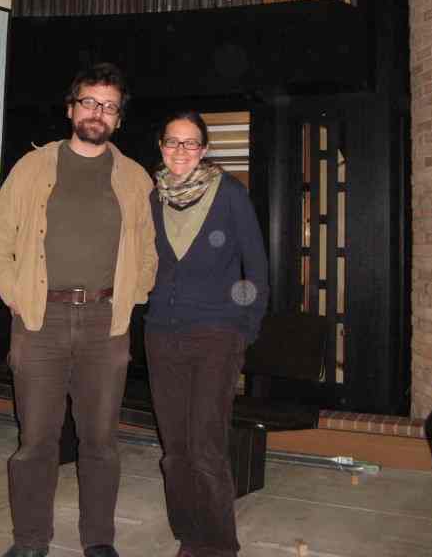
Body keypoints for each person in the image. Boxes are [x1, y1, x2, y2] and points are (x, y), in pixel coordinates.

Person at [0, 63, 157, 557]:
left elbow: (148, 250)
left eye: (109, 106)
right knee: (36, 440)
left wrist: (135, 292)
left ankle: (98, 540)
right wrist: (14, 293)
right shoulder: (32, 168)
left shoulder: (134, 178)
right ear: (71, 108)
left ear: (119, 118)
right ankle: (31, 539)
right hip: (40, 320)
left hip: (107, 322)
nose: (97, 113)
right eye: (89, 102)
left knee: (100, 441)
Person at [145, 111, 270, 557]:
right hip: (162, 333)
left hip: (216, 334)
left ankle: (218, 546)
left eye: (191, 143)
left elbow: (255, 265)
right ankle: (188, 533)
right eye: (172, 142)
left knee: (205, 445)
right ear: (160, 145)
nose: (180, 151)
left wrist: (244, 330)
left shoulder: (230, 195)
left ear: (205, 149)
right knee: (174, 448)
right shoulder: (152, 197)